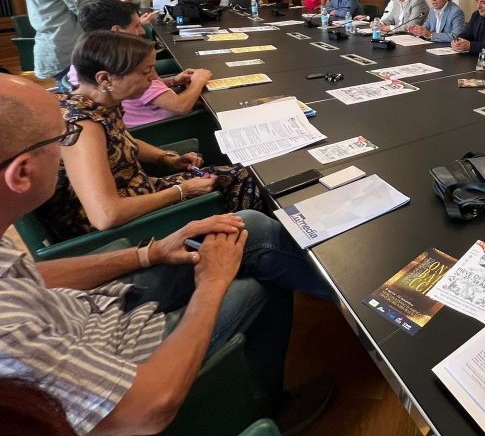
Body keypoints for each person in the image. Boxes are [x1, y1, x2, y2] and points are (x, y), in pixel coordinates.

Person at [0, 74, 333, 435]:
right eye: (63, 139)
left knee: (244, 227)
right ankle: (263, 407)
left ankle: (352, 299)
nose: (69, 147)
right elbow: (144, 410)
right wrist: (212, 283)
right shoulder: (9, 332)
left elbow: (33, 276)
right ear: (22, 173)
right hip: (125, 359)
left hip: (95, 309)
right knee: (256, 282)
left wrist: (151, 253)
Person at [37, 32, 266, 241]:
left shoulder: (95, 102)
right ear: (104, 79)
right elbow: (106, 215)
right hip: (125, 231)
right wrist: (182, 191)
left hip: (140, 190)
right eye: (145, 73)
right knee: (248, 180)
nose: (153, 79)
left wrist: (165, 158)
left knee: (243, 174)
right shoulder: (83, 127)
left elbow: (121, 141)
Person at [75, 0, 212, 128]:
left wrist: (172, 81)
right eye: (137, 26)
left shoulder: (90, 59)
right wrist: (198, 81)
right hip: (163, 127)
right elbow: (181, 107)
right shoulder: (127, 64)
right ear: (116, 31)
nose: (142, 31)